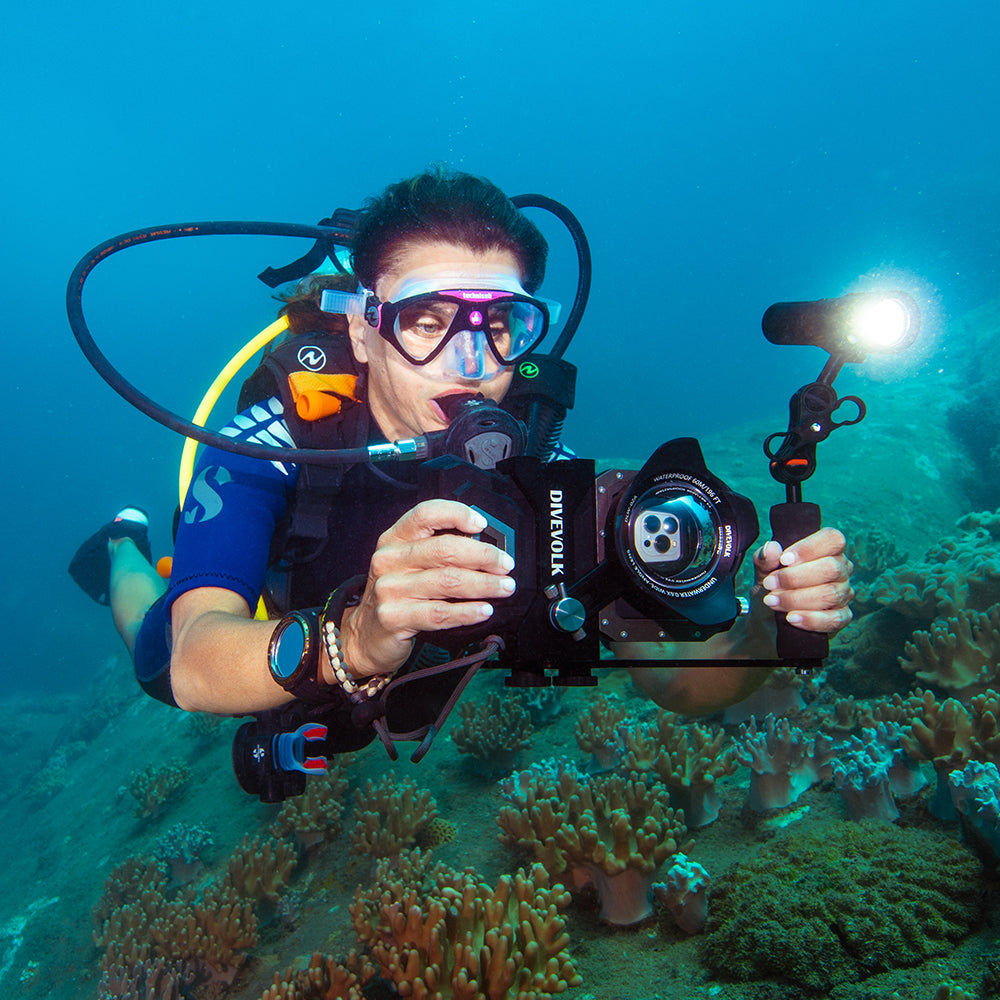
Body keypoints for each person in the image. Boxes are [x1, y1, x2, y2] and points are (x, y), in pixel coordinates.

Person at [70, 167, 853, 753]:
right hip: (285, 633)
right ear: (364, 331)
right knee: (148, 643)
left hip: (384, 671)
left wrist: (765, 630)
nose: (472, 362)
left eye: (504, 323)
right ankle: (119, 548)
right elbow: (196, 662)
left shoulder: (544, 468)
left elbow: (678, 684)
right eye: (427, 321)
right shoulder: (271, 444)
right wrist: (359, 640)